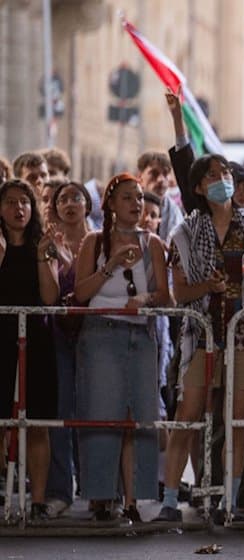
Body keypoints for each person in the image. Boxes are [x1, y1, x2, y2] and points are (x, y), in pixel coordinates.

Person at [156, 154, 244, 524]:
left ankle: (231, 497)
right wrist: (207, 286)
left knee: (236, 417)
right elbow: (181, 293)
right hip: (202, 335)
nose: (222, 179)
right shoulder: (186, 233)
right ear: (198, 188)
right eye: (212, 175)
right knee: (187, 413)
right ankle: (170, 500)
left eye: (225, 172)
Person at [74, 173, 169, 523]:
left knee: (137, 417)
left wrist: (144, 298)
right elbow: (82, 293)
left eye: (140, 197)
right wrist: (111, 265)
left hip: (140, 335)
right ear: (111, 204)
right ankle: (101, 495)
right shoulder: (93, 242)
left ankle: (132, 499)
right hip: (101, 334)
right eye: (127, 197)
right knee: (101, 414)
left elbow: (165, 296)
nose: (136, 203)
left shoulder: (153, 243)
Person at [0, 180, 60, 521]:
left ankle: (38, 500)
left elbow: (50, 297)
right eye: (10, 202)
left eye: (24, 202)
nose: (18, 208)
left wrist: (41, 256)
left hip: (35, 339)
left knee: (37, 422)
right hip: (2, 336)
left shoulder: (42, 244)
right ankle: (3, 490)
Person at [44, 181, 92, 518]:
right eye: (63, 199)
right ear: (55, 207)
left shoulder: (101, 240)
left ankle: (97, 490)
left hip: (95, 331)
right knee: (60, 410)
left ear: (88, 205)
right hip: (58, 332)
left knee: (94, 410)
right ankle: (60, 490)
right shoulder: (48, 243)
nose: (70, 203)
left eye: (77, 197)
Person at [137, 151, 184, 242]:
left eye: (165, 174)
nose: (160, 180)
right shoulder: (126, 203)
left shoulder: (173, 212)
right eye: (154, 174)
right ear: (140, 178)